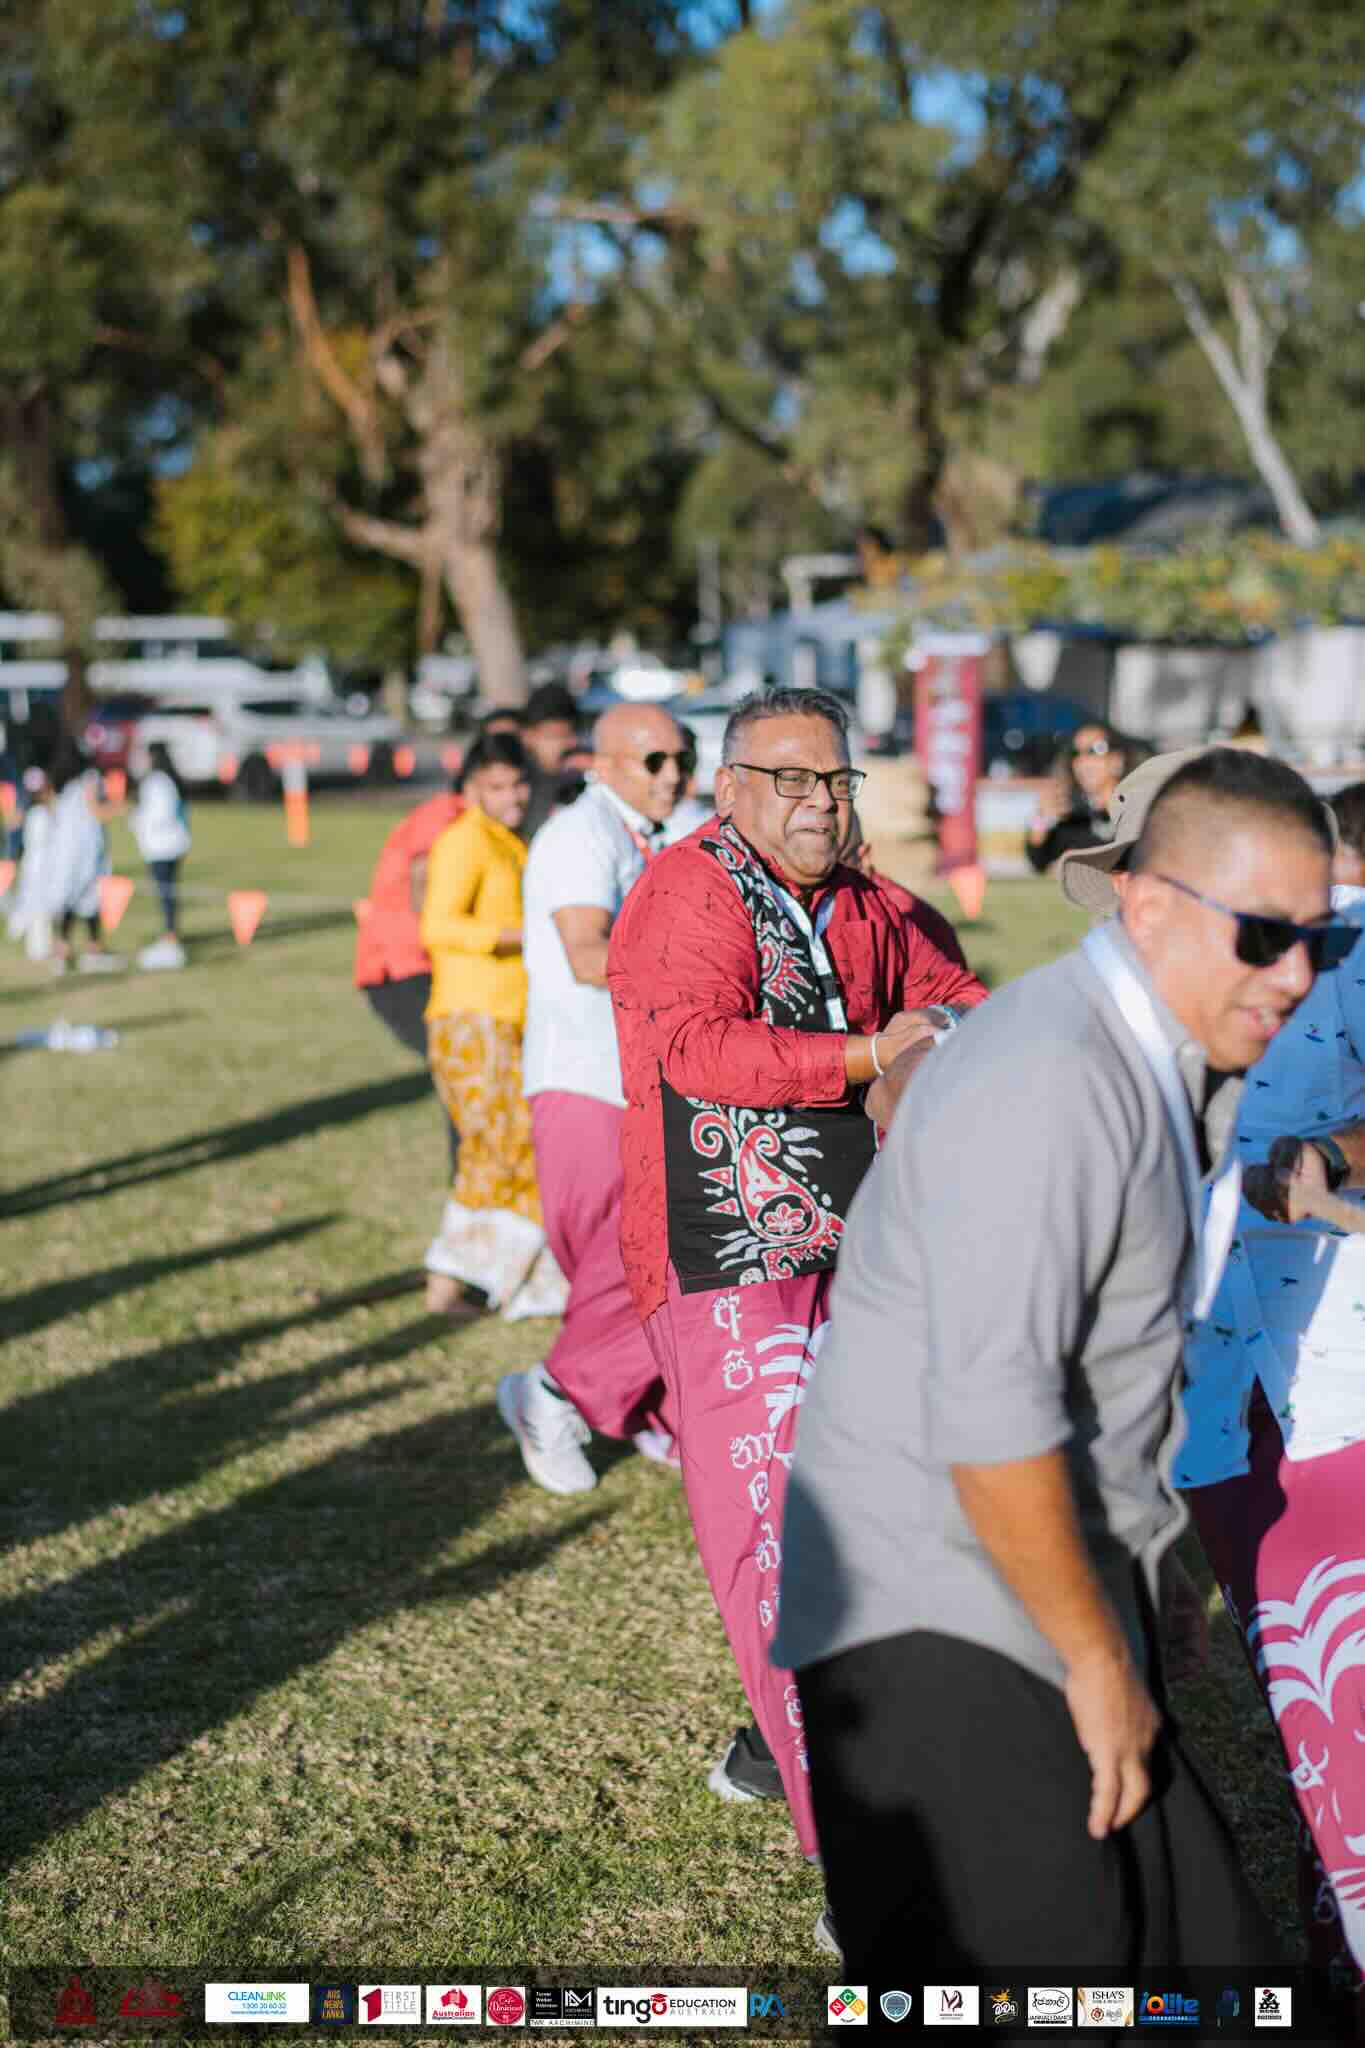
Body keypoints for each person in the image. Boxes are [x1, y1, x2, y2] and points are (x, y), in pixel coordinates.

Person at [779, 746, 1334, 1975]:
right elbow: (991, 1420)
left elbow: (1116, 1361)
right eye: (1261, 935)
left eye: (1321, 939)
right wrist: (1097, 1656)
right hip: (938, 1623)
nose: (1294, 975)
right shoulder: (1053, 1082)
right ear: (1145, 905)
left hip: (1036, 1586)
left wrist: (1150, 1573)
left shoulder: (1167, 1061)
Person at [606, 686, 987, 1858]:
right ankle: (865, 1862)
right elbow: (693, 1046)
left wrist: (961, 1040)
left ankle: (782, 1746)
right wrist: (872, 1051)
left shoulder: (873, 903)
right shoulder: (688, 887)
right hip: (731, 1258)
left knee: (895, 1508)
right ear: (730, 788)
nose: (818, 802)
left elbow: (963, 999)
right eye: (790, 779)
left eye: (833, 779)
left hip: (869, 1249)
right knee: (781, 1539)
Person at [1172, 775, 1365, 2006]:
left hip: (1339, 1383)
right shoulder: (1145, 988)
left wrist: (1331, 1157)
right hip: (1216, 1401)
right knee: (1318, 1716)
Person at [497, 703, 690, 1494]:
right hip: (585, 1079)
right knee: (636, 1262)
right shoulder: (581, 835)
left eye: (679, 757)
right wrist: (702, 975)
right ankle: (553, 1394)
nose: (671, 774)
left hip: (636, 1082)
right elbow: (585, 954)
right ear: (602, 763)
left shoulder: (654, 834)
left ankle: (657, 1412)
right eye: (652, 761)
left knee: (650, 1259)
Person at [420, 732, 564, 1319]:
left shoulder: (511, 843)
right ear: (472, 788)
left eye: (518, 782)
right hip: (471, 1017)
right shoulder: (465, 842)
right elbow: (438, 926)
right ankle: (482, 1284)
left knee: (501, 1154)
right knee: (502, 1151)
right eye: (496, 786)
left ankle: (472, 1284)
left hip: (508, 1018)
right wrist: (522, 936)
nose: (511, 795)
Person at [353, 775, 466, 1204]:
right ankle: (467, 1192)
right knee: (459, 1068)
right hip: (402, 968)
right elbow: (422, 878)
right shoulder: (444, 814)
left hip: (424, 963)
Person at [43, 745, 118, 973]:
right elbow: (97, 810)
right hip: (85, 851)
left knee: (69, 900)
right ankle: (94, 949)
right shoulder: (90, 778)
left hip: (63, 852)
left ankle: (62, 951)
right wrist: (121, 808)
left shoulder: (61, 785)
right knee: (89, 899)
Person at [1025, 721, 1129, 873]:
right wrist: (1041, 818)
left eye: (1095, 750)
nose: (1084, 762)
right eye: (1076, 753)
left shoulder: (1136, 811)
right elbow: (1038, 859)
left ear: (1116, 760)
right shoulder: (1075, 819)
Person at [132, 742, 192, 970]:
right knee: (167, 894)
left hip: (163, 847)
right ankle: (170, 934)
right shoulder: (166, 780)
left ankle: (170, 938)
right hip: (167, 846)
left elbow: (161, 814)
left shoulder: (158, 782)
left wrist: (138, 820)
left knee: (166, 893)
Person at [518, 683, 581, 838]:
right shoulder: (517, 789)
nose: (570, 743)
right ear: (528, 736)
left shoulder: (580, 781)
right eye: (558, 736)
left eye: (572, 733)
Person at [6, 766, 55, 961]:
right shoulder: (38, 813)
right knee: (38, 904)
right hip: (38, 862)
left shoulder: (33, 811)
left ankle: (21, 926)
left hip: (35, 861)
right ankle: (37, 946)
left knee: (35, 901)